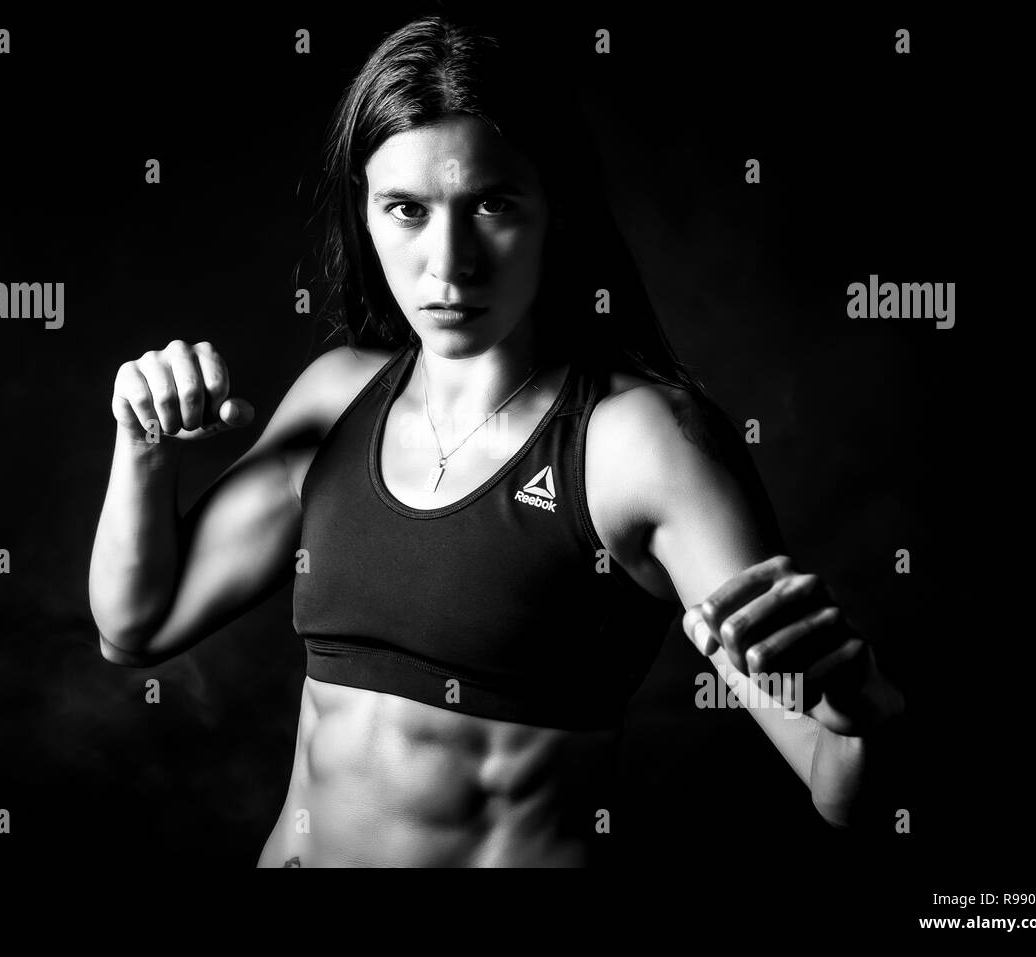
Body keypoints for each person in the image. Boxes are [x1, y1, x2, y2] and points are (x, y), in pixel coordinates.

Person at [88, 15, 905, 867]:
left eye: (491, 204)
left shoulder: (636, 444)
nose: (449, 264)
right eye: (406, 209)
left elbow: (839, 783)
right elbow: (132, 629)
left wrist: (858, 714)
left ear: (556, 208)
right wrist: (142, 446)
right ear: (364, 214)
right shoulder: (338, 399)